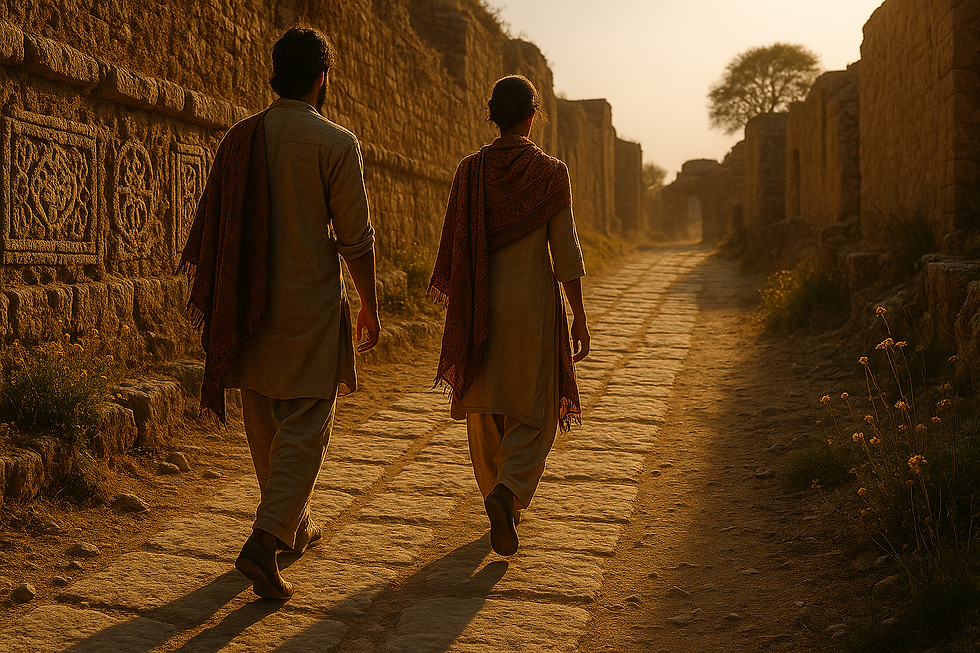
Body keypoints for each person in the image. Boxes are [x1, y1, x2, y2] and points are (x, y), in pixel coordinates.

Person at [179, 27, 380, 600]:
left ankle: (289, 528)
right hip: (310, 305)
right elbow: (355, 239)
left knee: (265, 420)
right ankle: (265, 540)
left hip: (249, 304)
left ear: (276, 73)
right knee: (310, 421)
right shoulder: (337, 144)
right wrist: (368, 302)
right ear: (321, 79)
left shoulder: (241, 139)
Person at [428, 74, 590, 556]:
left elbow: (456, 242)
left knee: (485, 406)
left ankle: (497, 495)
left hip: (479, 303)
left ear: (493, 116)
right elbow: (565, 250)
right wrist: (578, 314)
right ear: (532, 116)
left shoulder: (470, 171)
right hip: (532, 308)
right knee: (535, 408)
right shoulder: (550, 172)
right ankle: (508, 492)